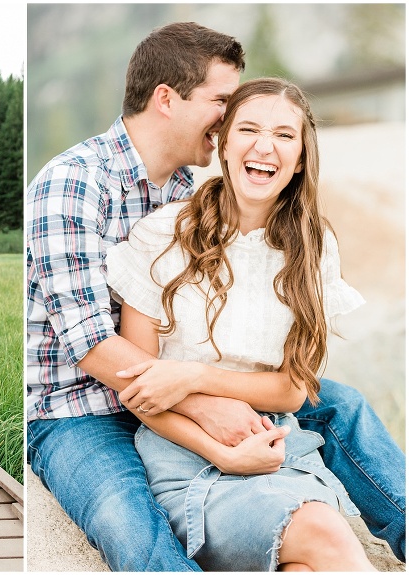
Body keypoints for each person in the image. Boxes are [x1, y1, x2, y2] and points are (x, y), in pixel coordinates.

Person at [26, 21, 405, 571]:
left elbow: (283, 375)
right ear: (166, 100)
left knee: (342, 405)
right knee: (127, 524)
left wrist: (202, 386)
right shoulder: (75, 183)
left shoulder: (188, 187)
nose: (232, 122)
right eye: (223, 102)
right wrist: (211, 408)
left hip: (165, 381)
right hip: (78, 407)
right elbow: (91, 346)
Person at [105, 77, 375, 571]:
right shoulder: (162, 234)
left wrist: (195, 375)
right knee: (324, 537)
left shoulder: (314, 249)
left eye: (284, 135)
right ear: (223, 143)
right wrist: (221, 454)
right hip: (182, 454)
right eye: (248, 129)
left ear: (300, 157)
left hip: (279, 448)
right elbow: (138, 390)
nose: (264, 146)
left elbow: (294, 391)